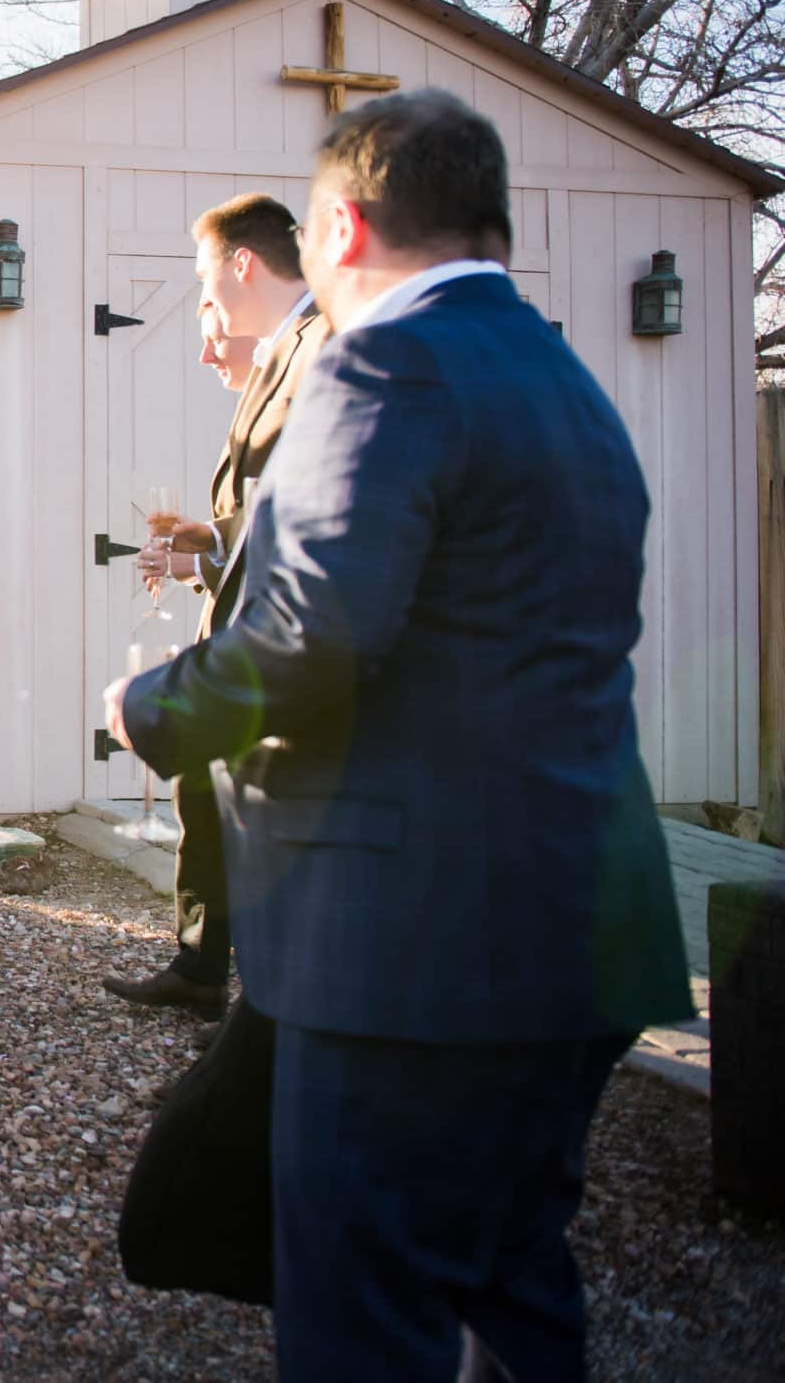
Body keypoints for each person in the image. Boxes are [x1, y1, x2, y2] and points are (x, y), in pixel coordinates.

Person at [107, 90, 691, 1380]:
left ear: (339, 222)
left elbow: (310, 636)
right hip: (578, 925)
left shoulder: (381, 363)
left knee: (364, 1317)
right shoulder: (566, 380)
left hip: (412, 946)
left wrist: (153, 709)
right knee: (510, 1283)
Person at [107, 194, 325, 1021]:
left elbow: (307, 512)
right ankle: (201, 972)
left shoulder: (321, 348)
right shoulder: (283, 352)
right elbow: (265, 509)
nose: (204, 303)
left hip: (283, 646)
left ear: (242, 264)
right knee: (206, 793)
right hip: (239, 626)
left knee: (262, 826)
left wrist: (227, 545)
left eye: (205, 279)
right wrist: (214, 540)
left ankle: (261, 1026)